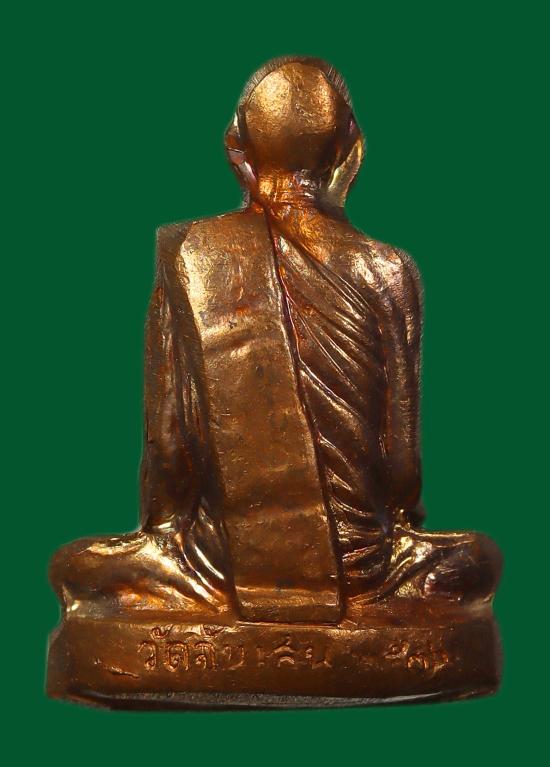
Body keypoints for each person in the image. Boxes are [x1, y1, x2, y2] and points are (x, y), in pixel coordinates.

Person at [51, 57, 500, 622]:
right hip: (366, 571)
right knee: (477, 561)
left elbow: (168, 449)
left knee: (74, 568)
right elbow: (402, 470)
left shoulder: (192, 252)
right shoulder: (389, 270)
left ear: (235, 144)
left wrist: (162, 537)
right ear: (349, 149)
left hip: (215, 567)